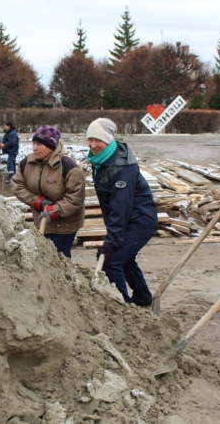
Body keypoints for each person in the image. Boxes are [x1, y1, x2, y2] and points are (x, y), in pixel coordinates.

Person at [86, 118, 158, 306]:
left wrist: (111, 242)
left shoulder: (121, 167)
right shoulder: (102, 160)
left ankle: (123, 309)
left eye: (98, 140)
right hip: (129, 221)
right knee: (124, 260)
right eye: (90, 139)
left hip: (139, 221)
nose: (93, 145)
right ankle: (143, 299)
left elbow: (121, 207)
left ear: (109, 140)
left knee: (112, 262)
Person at [12, 125, 85, 258]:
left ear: (51, 146)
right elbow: (17, 185)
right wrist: (36, 201)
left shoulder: (68, 167)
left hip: (64, 225)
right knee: (44, 257)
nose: (34, 147)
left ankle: (64, 278)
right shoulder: (27, 163)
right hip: (40, 220)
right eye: (33, 143)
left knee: (57, 258)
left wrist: (54, 210)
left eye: (39, 144)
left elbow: (75, 198)